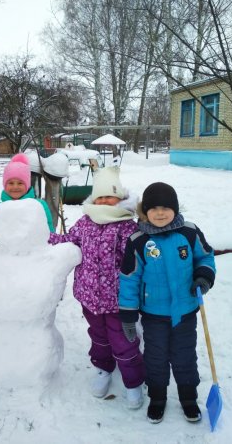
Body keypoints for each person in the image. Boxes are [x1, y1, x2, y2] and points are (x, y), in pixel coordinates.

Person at [118, 182, 216, 424]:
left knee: (185, 356)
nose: (160, 213)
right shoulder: (138, 240)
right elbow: (129, 278)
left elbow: (205, 256)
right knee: (155, 357)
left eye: (165, 207)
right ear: (145, 212)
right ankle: (158, 397)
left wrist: (203, 277)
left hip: (185, 311)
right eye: (154, 208)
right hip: (153, 314)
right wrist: (128, 314)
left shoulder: (189, 233)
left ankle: (188, 397)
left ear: (174, 208)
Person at [49, 166, 145, 409]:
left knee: (124, 340)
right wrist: (45, 238)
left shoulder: (127, 226)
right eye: (99, 196)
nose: (104, 201)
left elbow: (138, 260)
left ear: (120, 198)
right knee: (99, 338)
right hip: (89, 296)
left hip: (119, 301)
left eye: (109, 196)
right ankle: (103, 369)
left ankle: (133, 381)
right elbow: (69, 241)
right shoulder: (85, 222)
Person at [0, 153, 54, 245]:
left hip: (34, 255)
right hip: (6, 257)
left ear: (27, 185)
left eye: (20, 183)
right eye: (11, 183)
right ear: (4, 185)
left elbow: (49, 233)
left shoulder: (40, 206)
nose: (15, 187)